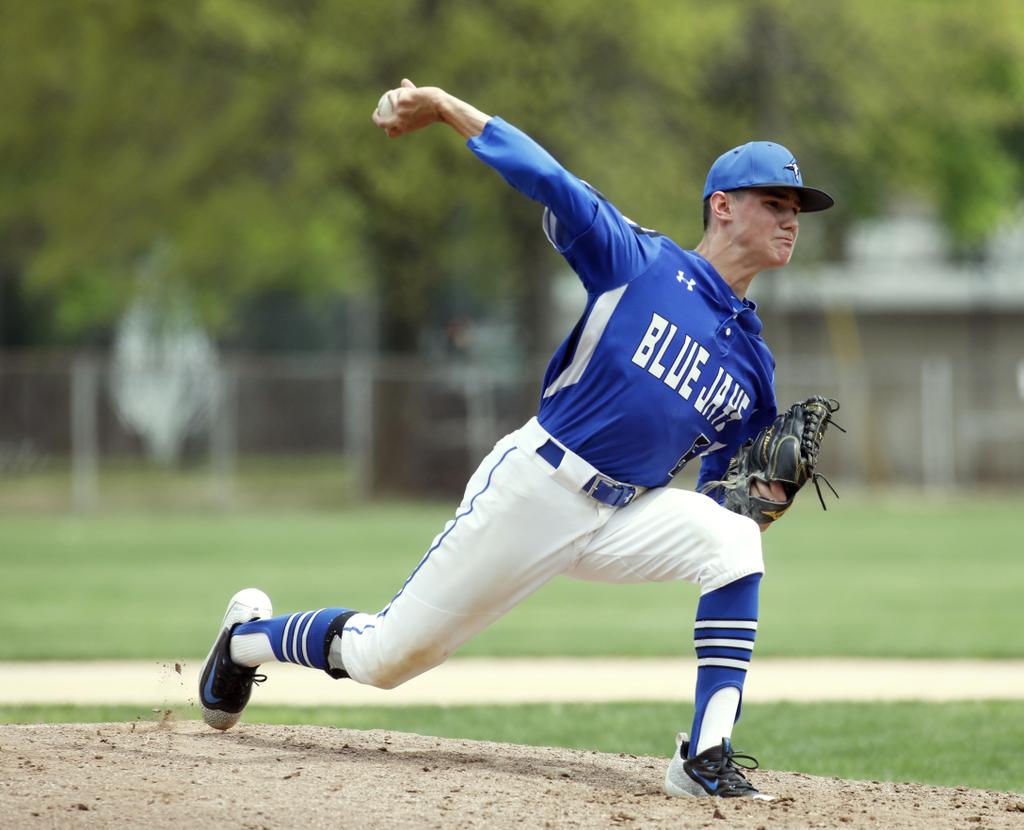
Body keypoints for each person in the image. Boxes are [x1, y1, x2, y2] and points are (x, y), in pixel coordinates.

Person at [199, 79, 834, 801]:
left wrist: (758, 500)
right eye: (775, 204)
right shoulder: (642, 264)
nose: (792, 221)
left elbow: (726, 491)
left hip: (623, 515)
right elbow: (549, 179)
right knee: (386, 659)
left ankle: (704, 757)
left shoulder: (754, 364)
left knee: (732, 545)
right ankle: (246, 639)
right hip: (539, 487)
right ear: (722, 206)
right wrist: (442, 108)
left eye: (797, 211)